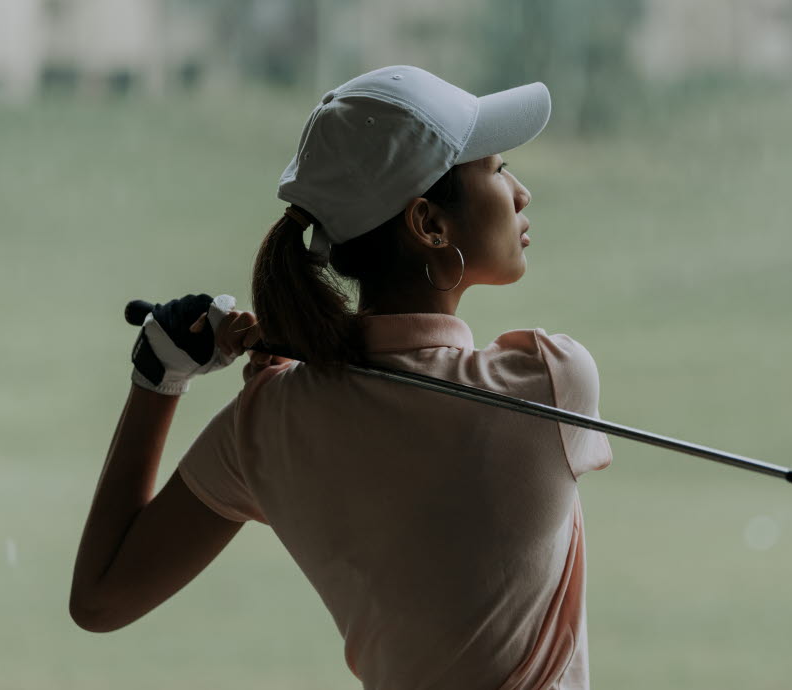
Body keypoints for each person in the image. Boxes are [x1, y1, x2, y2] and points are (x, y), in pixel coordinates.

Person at [70, 65, 613, 689]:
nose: (520, 193)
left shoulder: (267, 421)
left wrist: (158, 375)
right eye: (495, 169)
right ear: (429, 224)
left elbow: (100, 598)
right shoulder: (553, 382)